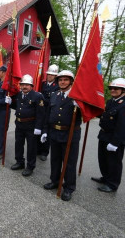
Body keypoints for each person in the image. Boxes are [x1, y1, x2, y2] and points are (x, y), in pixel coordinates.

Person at [41, 70, 82, 201]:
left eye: (65, 80)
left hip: (70, 133)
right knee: (55, 159)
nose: (62, 82)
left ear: (71, 81)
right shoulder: (54, 95)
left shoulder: (78, 97)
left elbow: (89, 114)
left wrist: (80, 106)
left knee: (69, 162)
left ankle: (69, 187)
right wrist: (45, 130)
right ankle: (55, 181)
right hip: (55, 132)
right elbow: (49, 114)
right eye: (60, 80)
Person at [91, 78, 125, 193]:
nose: (113, 90)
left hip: (115, 139)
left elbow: (124, 127)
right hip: (104, 135)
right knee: (103, 159)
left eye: (116, 89)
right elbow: (104, 115)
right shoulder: (112, 101)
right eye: (111, 88)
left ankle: (112, 184)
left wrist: (115, 143)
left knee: (114, 162)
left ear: (124, 91)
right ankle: (106, 178)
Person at [10, 74, 45, 176]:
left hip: (31, 126)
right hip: (19, 124)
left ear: (31, 86)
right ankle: (19, 162)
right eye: (22, 84)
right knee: (18, 144)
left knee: (31, 147)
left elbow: (41, 113)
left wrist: (38, 127)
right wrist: (10, 103)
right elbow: (18, 107)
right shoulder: (19, 94)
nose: (24, 87)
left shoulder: (37, 96)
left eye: (27, 85)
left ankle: (30, 166)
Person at [37, 64, 59, 161]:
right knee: (38, 128)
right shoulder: (43, 84)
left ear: (55, 76)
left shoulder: (57, 87)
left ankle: (44, 152)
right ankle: (38, 149)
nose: (49, 76)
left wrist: (42, 98)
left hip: (49, 110)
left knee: (47, 131)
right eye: (48, 74)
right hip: (41, 110)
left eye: (51, 75)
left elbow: (52, 101)